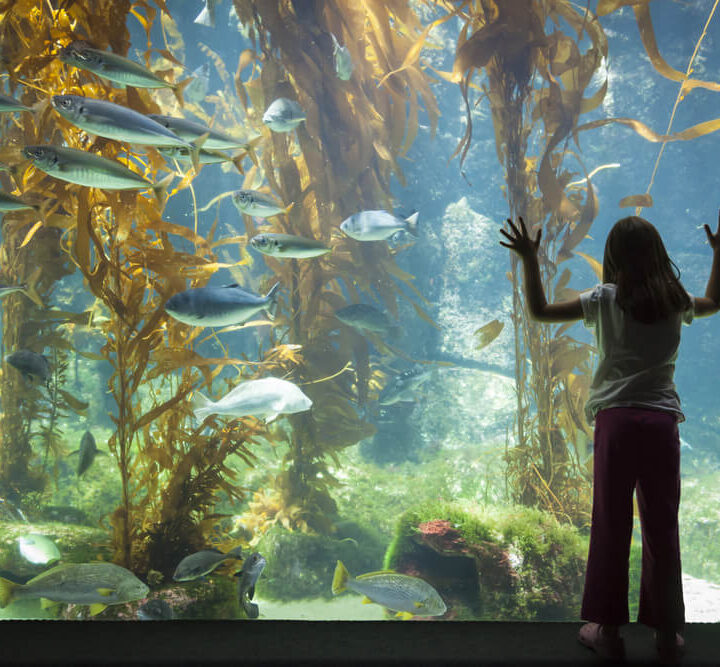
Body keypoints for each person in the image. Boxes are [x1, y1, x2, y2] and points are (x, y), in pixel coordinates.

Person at [499, 214, 720, 664]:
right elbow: (715, 301)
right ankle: (666, 636)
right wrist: (719, 254)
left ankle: (608, 632)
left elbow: (540, 312)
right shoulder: (675, 299)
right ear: (658, 255)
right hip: (661, 424)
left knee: (611, 525)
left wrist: (528, 259)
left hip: (616, 423)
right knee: (662, 527)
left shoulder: (602, 299)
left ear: (612, 257)